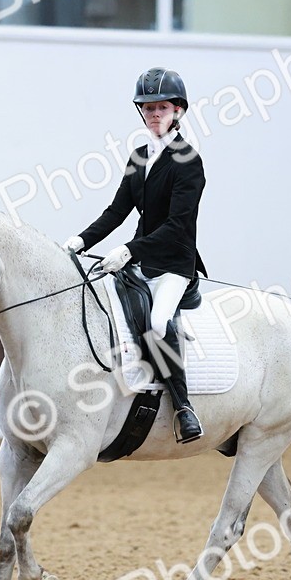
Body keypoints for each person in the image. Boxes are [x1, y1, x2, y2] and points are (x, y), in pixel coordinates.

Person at [64, 67, 207, 444]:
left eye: (162, 108)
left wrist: (129, 249)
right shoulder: (139, 157)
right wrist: (79, 242)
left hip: (174, 263)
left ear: (178, 111)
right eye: (148, 108)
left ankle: (183, 408)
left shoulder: (189, 161)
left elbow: (177, 225)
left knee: (158, 322)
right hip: (140, 259)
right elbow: (117, 211)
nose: (154, 114)